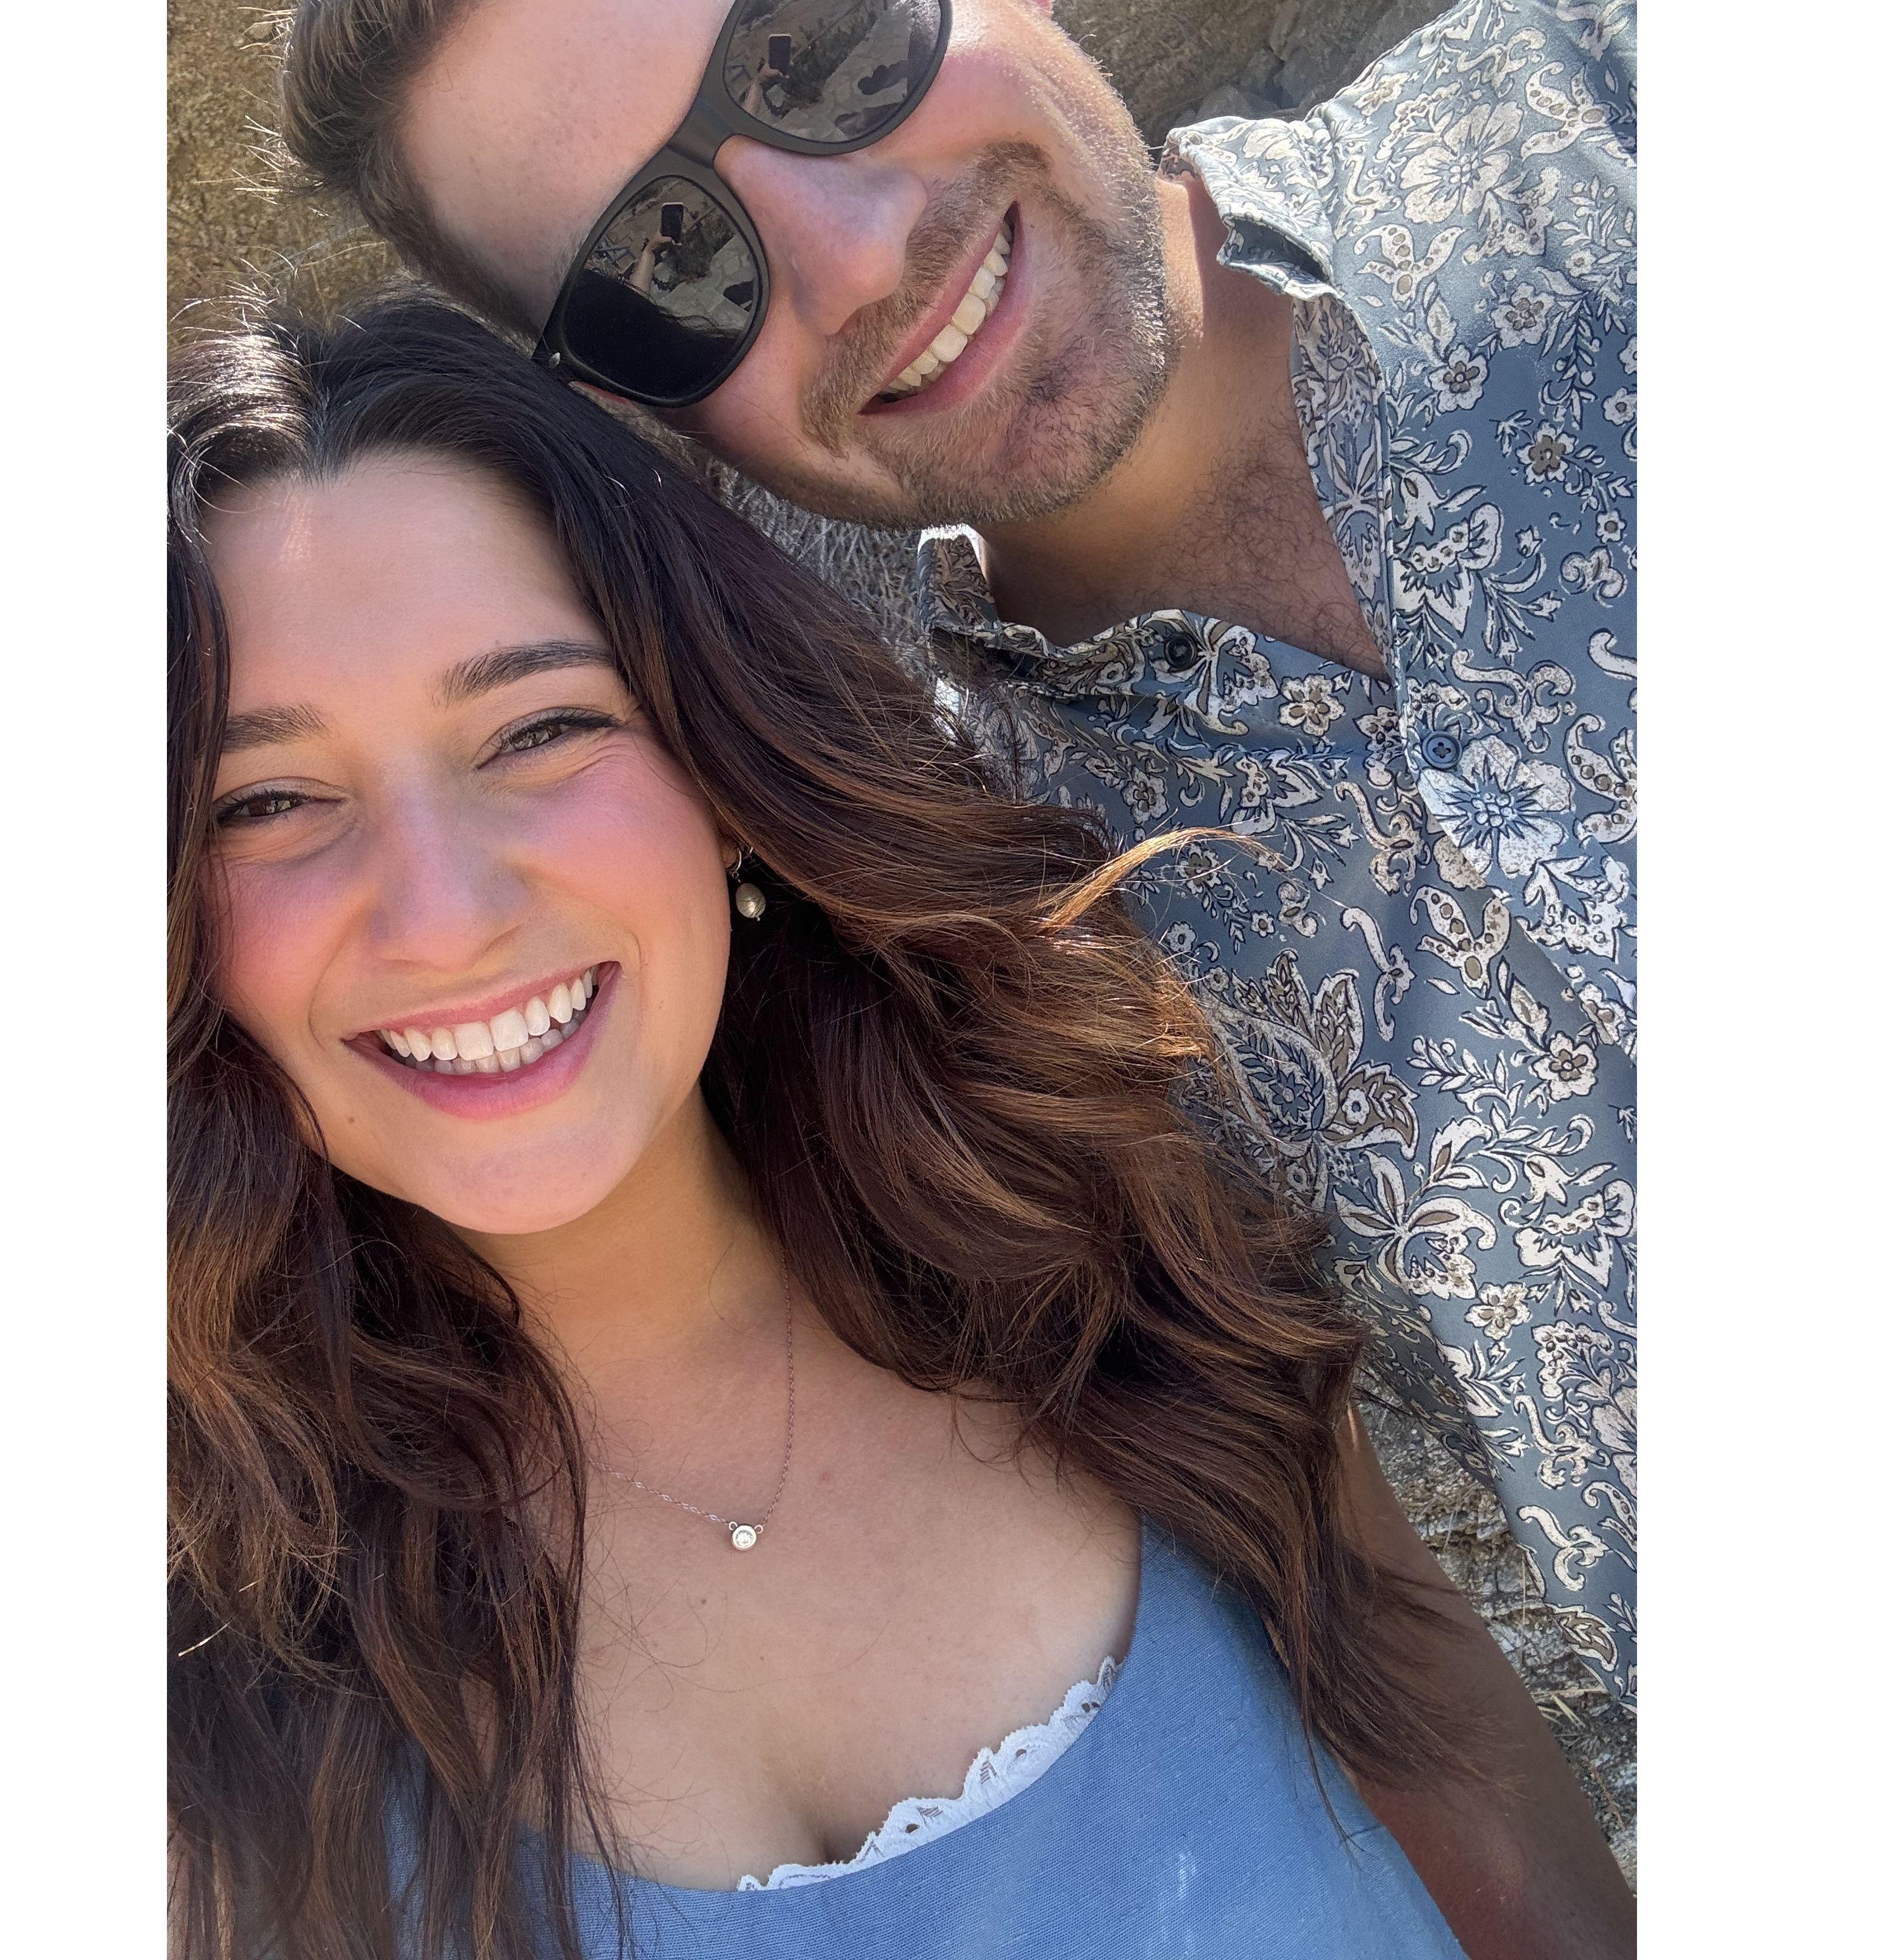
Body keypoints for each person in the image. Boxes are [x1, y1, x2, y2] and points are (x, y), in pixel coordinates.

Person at [166, 298, 1628, 1958]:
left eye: (539, 729)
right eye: (266, 802)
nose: (444, 915)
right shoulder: (169, 1698)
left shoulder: (1104, 1251)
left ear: (717, 770)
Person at [274, 0, 1639, 1714]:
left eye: (827, 45)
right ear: (626, 397)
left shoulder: (1631, 107)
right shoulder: (885, 890)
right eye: (665, 264)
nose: (855, 257)